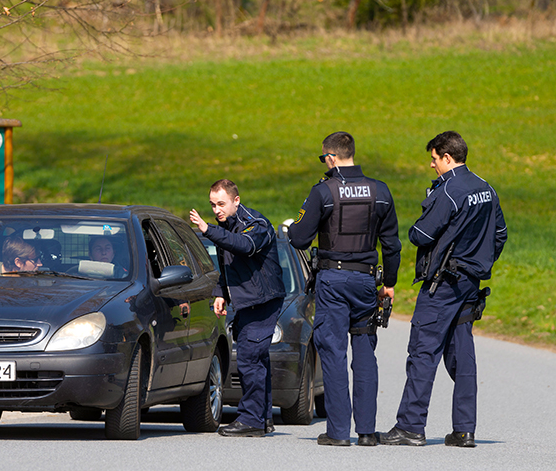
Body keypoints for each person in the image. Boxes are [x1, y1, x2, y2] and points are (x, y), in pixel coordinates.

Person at [379, 131, 507, 448]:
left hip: (444, 285)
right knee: (463, 356)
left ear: (447, 158)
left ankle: (410, 426)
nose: (432, 165)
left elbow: (420, 235)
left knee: (423, 352)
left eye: (435, 159)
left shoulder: (450, 191)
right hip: (470, 283)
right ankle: (464, 430)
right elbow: (500, 234)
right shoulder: (486, 188)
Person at [288, 131, 401, 447]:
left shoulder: (323, 192)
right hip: (366, 281)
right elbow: (392, 244)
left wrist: (296, 225)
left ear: (330, 157)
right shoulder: (380, 191)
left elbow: (299, 239)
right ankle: (367, 431)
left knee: (334, 352)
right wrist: (389, 283)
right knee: (365, 352)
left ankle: (338, 432)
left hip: (333, 280)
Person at [190, 179, 285, 437]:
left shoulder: (256, 224)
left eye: (221, 203)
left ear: (236, 201)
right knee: (257, 359)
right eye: (212, 205)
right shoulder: (226, 226)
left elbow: (244, 246)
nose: (216, 209)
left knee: (249, 359)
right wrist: (221, 293)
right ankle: (262, 418)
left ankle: (251, 420)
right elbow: (229, 268)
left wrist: (208, 229)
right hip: (247, 302)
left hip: (263, 300)